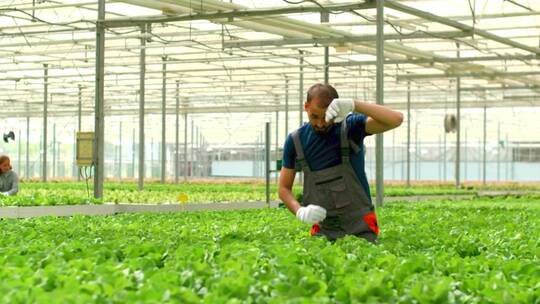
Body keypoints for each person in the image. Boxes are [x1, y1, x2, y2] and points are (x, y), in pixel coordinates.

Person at [278, 84, 403, 243]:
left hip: (360, 226)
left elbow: (396, 119)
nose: (321, 123)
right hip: (323, 228)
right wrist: (299, 211)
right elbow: (283, 188)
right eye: (315, 116)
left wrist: (354, 105)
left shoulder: (350, 127)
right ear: (306, 107)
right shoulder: (296, 140)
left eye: (326, 117)